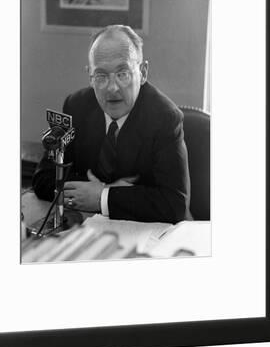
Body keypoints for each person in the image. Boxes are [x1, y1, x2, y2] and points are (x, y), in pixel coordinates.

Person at [32, 25, 191, 223]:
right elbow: (43, 176)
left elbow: (174, 205)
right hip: (92, 228)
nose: (112, 88)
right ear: (90, 76)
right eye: (101, 76)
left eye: (122, 73)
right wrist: (94, 192)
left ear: (143, 72)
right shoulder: (76, 105)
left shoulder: (165, 117)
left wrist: (102, 197)